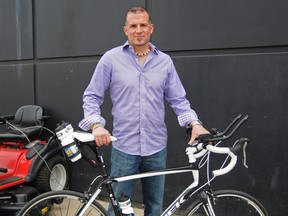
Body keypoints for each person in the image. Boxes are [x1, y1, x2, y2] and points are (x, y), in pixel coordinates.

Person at [79, 6, 209, 216]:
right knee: (117, 209)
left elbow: (179, 100)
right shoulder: (111, 59)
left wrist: (195, 124)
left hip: (156, 148)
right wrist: (96, 125)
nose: (138, 30)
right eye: (133, 25)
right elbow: (91, 95)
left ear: (151, 28)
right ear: (126, 30)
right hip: (124, 147)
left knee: (155, 207)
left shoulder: (164, 62)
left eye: (143, 25)